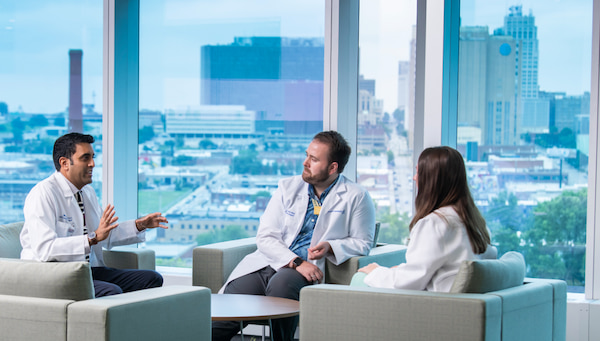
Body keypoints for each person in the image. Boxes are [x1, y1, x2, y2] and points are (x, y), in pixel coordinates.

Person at [212, 131, 376, 341]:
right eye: (307, 155)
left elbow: (363, 243)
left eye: (314, 159)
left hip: (306, 270)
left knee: (282, 284)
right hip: (270, 262)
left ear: (333, 167)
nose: (305, 162)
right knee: (234, 295)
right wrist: (295, 261)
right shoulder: (287, 187)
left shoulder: (357, 196)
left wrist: (331, 246)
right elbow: (266, 236)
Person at [20, 132, 169, 297]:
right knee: (112, 291)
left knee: (152, 279)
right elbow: (45, 249)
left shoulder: (87, 192)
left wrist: (140, 225)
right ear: (64, 163)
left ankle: (135, 323)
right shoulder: (43, 194)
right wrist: (92, 238)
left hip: (87, 271)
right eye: (85, 158)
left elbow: (105, 236)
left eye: (93, 157)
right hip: (56, 275)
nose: (92, 164)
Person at [356, 146, 491, 292]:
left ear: (431, 179)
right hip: (458, 304)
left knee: (360, 279)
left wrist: (377, 271)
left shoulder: (436, 224)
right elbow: (434, 269)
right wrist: (400, 270)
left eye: (418, 172)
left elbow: (408, 283)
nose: (414, 177)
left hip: (432, 306)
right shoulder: (473, 222)